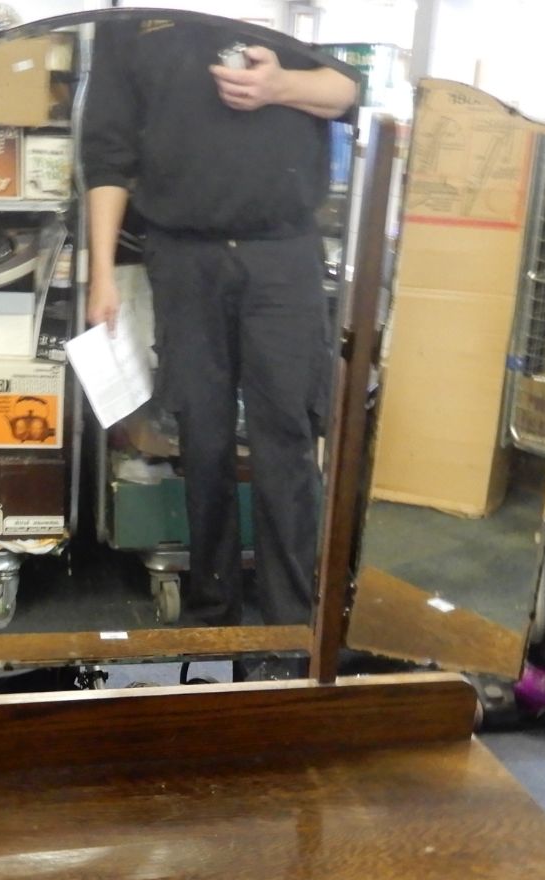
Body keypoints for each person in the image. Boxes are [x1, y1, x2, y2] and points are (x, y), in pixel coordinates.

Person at [82, 20, 358, 627]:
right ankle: (213, 611)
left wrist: (279, 85)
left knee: (284, 438)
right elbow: (106, 151)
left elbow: (346, 91)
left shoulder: (280, 13)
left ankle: (292, 619)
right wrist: (101, 272)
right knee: (201, 439)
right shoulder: (128, 21)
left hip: (282, 252)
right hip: (184, 256)